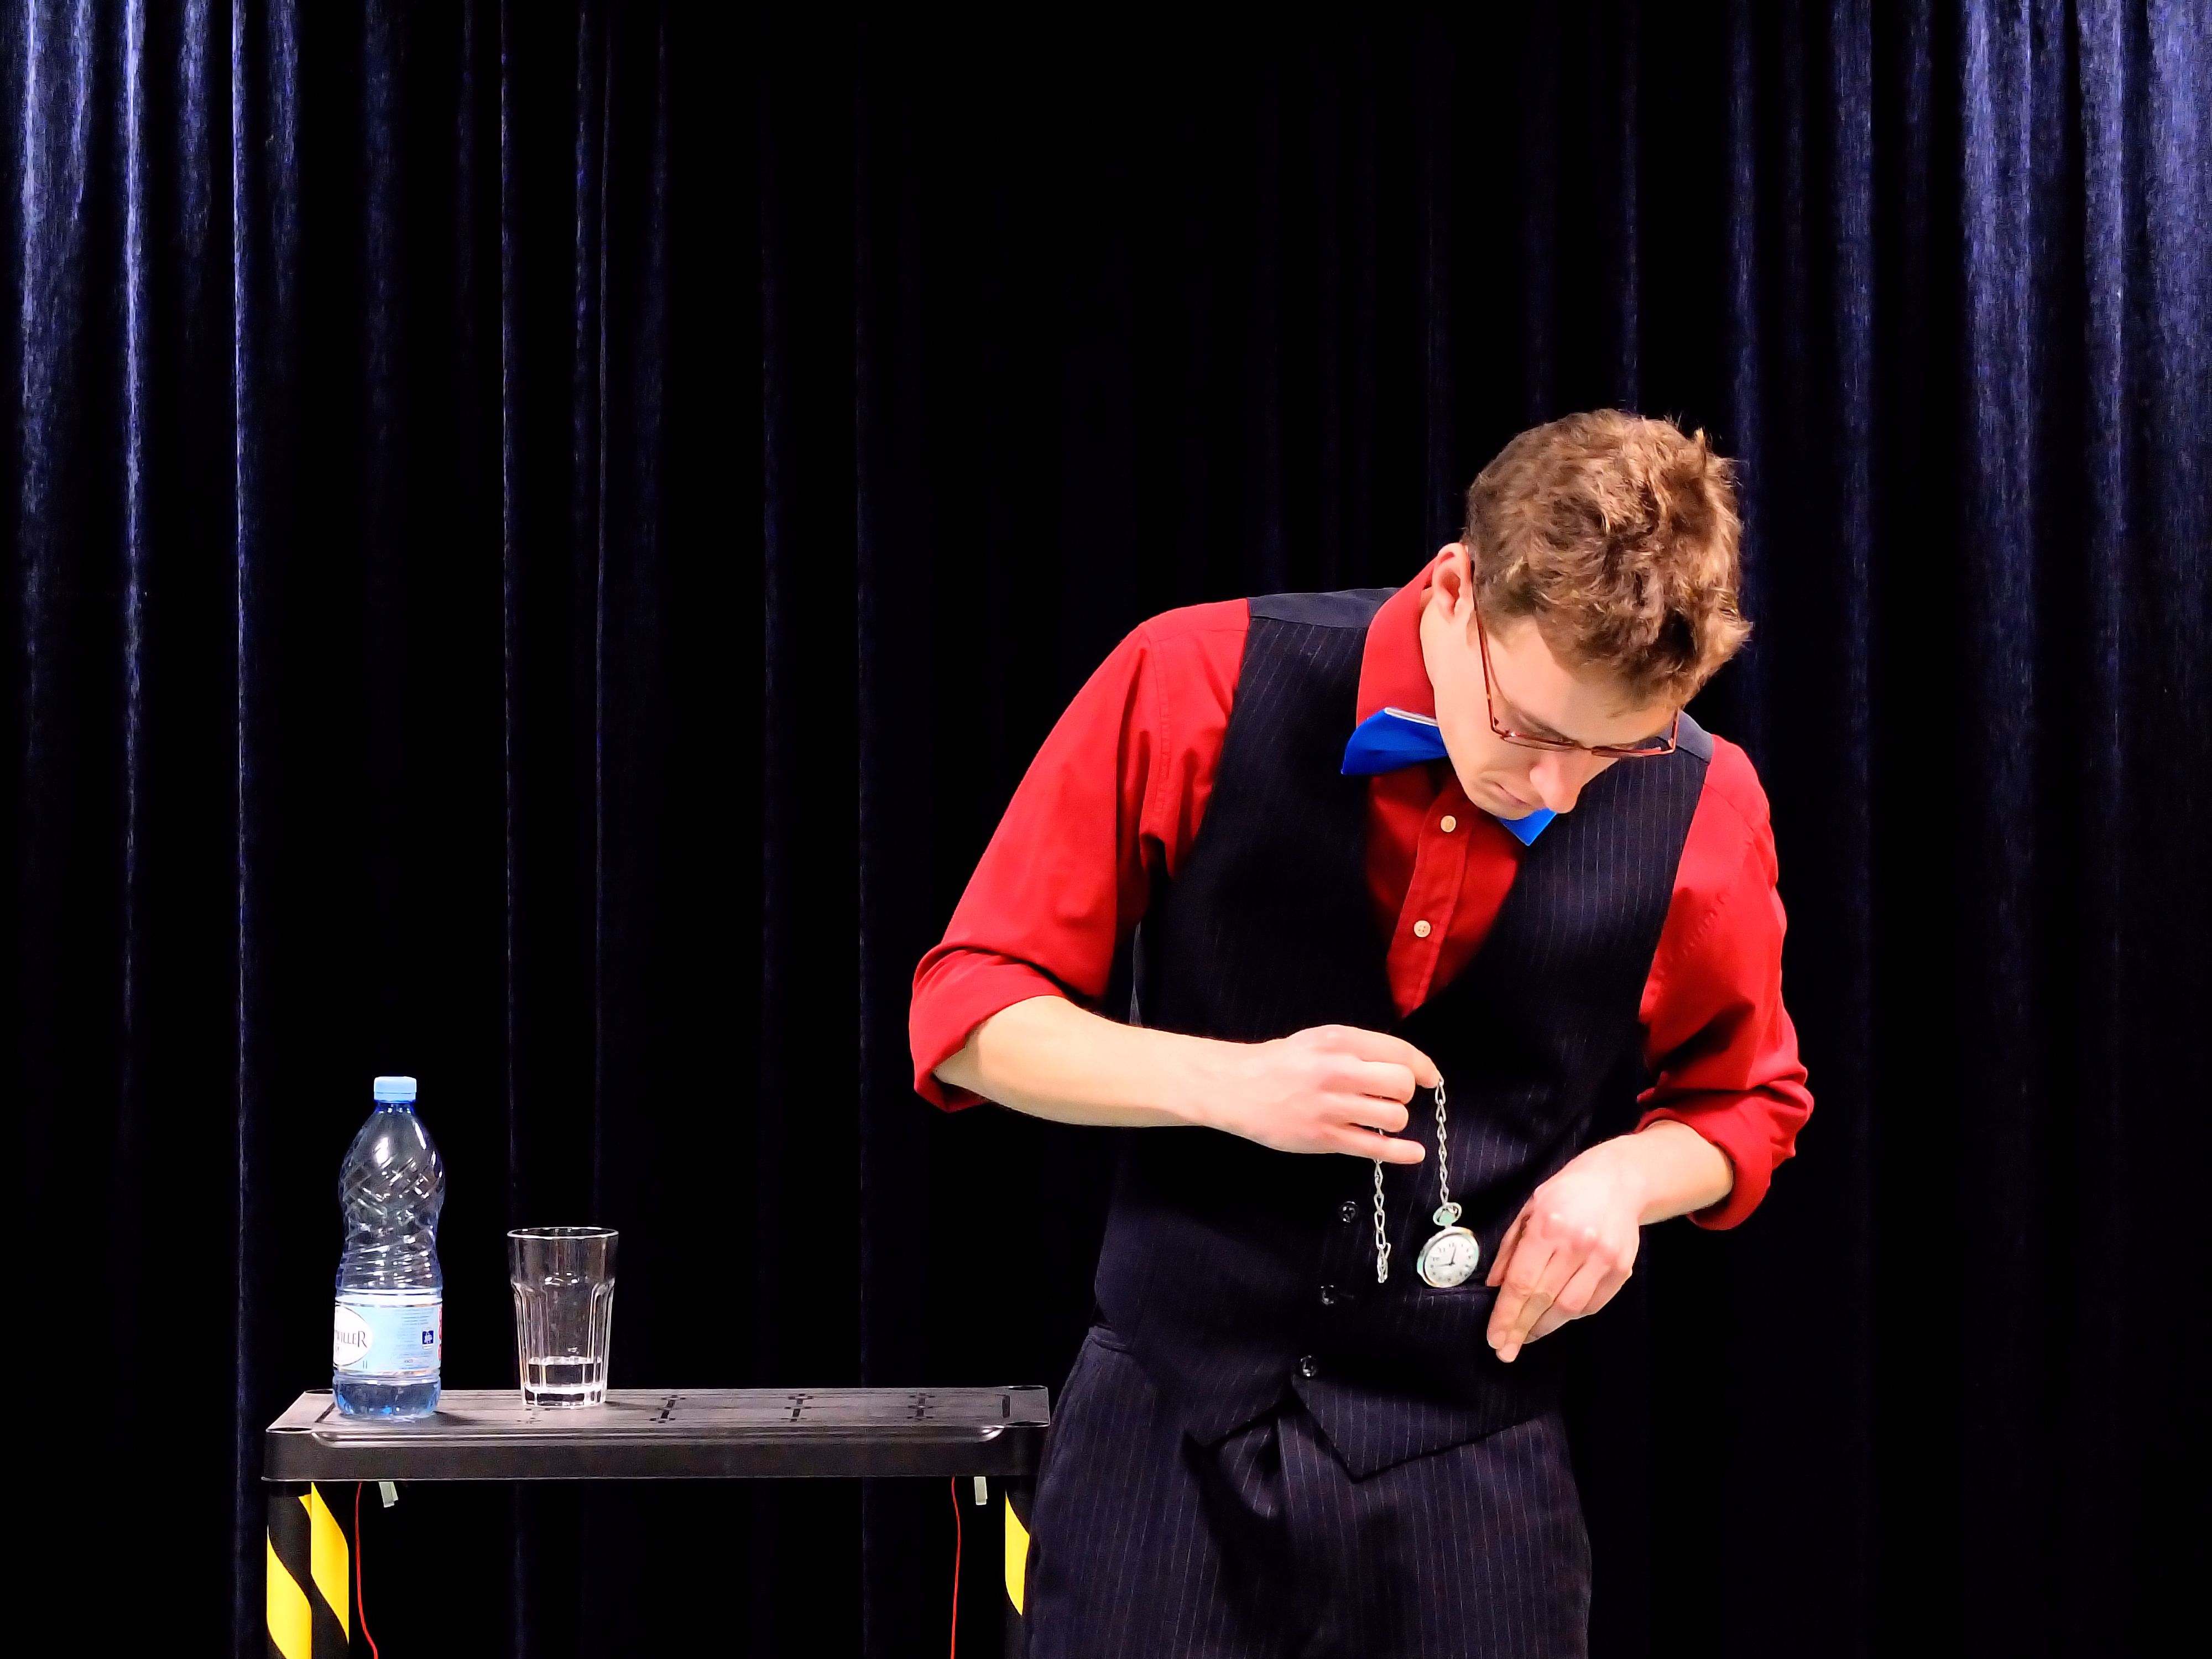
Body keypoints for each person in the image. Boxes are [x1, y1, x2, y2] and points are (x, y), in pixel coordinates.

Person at [909, 411, 1812, 1658]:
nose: (1558, 792)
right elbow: (967, 1013)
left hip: (1473, 1463)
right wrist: (1228, 1084)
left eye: (1617, 750)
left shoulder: (1709, 798)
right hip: (1164, 1423)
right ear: (1454, 591)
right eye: (1532, 730)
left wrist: (1625, 1180)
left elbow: (1746, 1103)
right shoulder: (1193, 674)